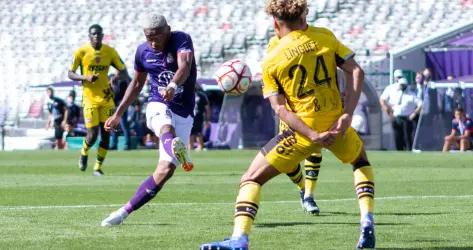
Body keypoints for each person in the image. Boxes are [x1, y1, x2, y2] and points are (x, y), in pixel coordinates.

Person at [201, 1, 375, 249]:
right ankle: (366, 222)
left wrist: (312, 134)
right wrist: (347, 114)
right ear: (303, 16)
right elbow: (356, 71)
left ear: (275, 23)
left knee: (251, 179)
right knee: (360, 162)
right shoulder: (324, 37)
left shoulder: (272, 59)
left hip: (302, 131)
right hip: (338, 123)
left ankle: (240, 238)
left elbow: (279, 108)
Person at [100, 13, 195, 227]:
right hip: (157, 103)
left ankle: (123, 212)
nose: (153, 42)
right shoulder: (142, 51)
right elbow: (135, 84)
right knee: (165, 125)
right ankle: (176, 147)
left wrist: (172, 86)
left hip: (184, 109)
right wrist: (118, 114)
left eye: (157, 37)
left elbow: (185, 66)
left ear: (167, 30)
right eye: (148, 37)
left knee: (165, 171)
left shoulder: (181, 39)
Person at [68, 24, 129, 176]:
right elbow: (70, 73)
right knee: (93, 134)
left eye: (98, 34)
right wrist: (85, 77)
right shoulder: (81, 52)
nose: (96, 36)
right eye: (93, 34)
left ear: (102, 35)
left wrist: (115, 77)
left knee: (106, 133)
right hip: (89, 98)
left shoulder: (110, 52)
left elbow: (124, 70)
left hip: (106, 98)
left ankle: (97, 167)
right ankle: (84, 152)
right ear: (89, 36)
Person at [380, 77, 422, 151]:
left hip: (406, 118)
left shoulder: (411, 94)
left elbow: (420, 104)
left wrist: (414, 113)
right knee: (397, 136)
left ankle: (409, 150)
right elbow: (386, 101)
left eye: (403, 85)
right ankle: (399, 151)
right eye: (400, 85)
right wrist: (389, 111)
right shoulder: (394, 93)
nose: (401, 86)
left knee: (407, 136)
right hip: (396, 117)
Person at [110, 76, 132, 150]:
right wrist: (112, 85)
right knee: (113, 125)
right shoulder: (110, 82)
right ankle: (114, 144)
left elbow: (124, 95)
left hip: (121, 106)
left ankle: (127, 144)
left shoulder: (123, 82)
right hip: (113, 106)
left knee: (124, 125)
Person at [189, 84, 211, 150]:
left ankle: (192, 147)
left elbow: (207, 108)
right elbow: (207, 109)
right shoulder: (202, 95)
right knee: (198, 133)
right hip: (198, 117)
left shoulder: (188, 95)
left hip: (191, 117)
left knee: (192, 133)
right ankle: (199, 147)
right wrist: (207, 120)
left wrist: (207, 120)